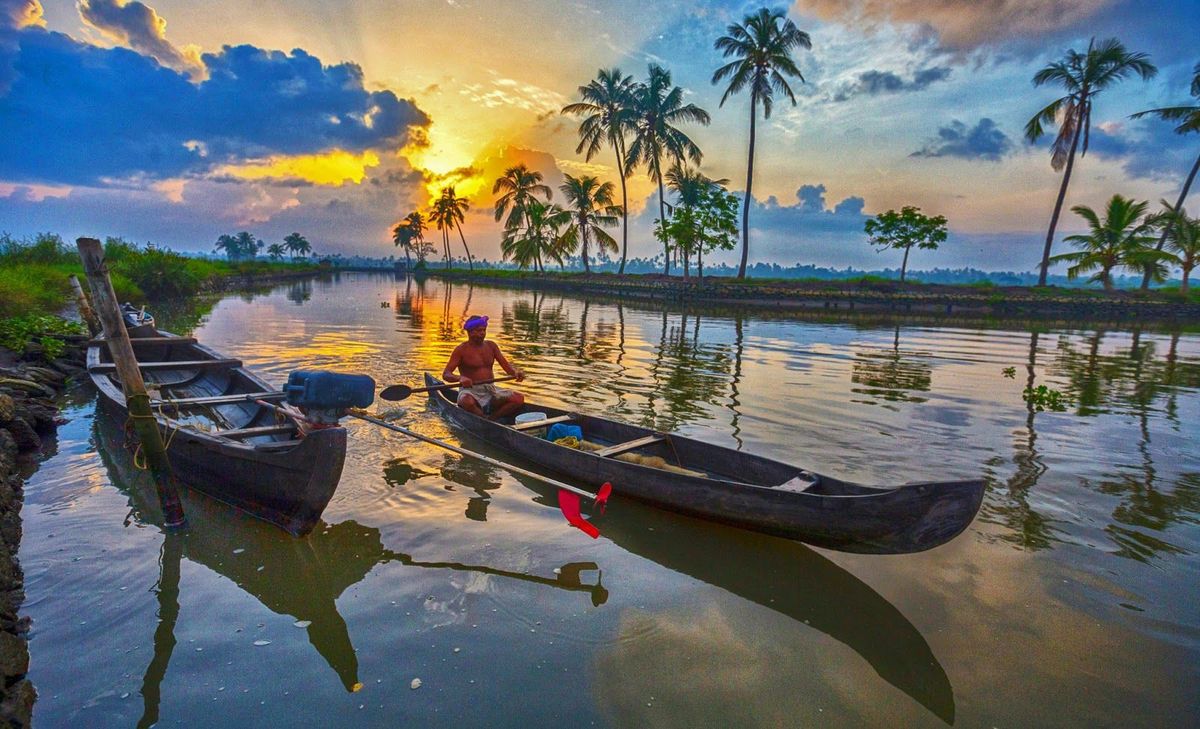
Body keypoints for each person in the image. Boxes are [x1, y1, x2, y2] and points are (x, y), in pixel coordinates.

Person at [442, 315, 526, 419]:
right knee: (466, 401)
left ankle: (491, 419)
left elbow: (507, 367)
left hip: (490, 390)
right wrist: (460, 378)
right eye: (479, 330)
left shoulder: (491, 346)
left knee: (518, 399)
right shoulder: (461, 350)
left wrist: (515, 373)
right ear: (470, 332)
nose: (483, 333)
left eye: (484, 330)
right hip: (470, 391)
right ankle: (481, 417)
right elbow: (446, 374)